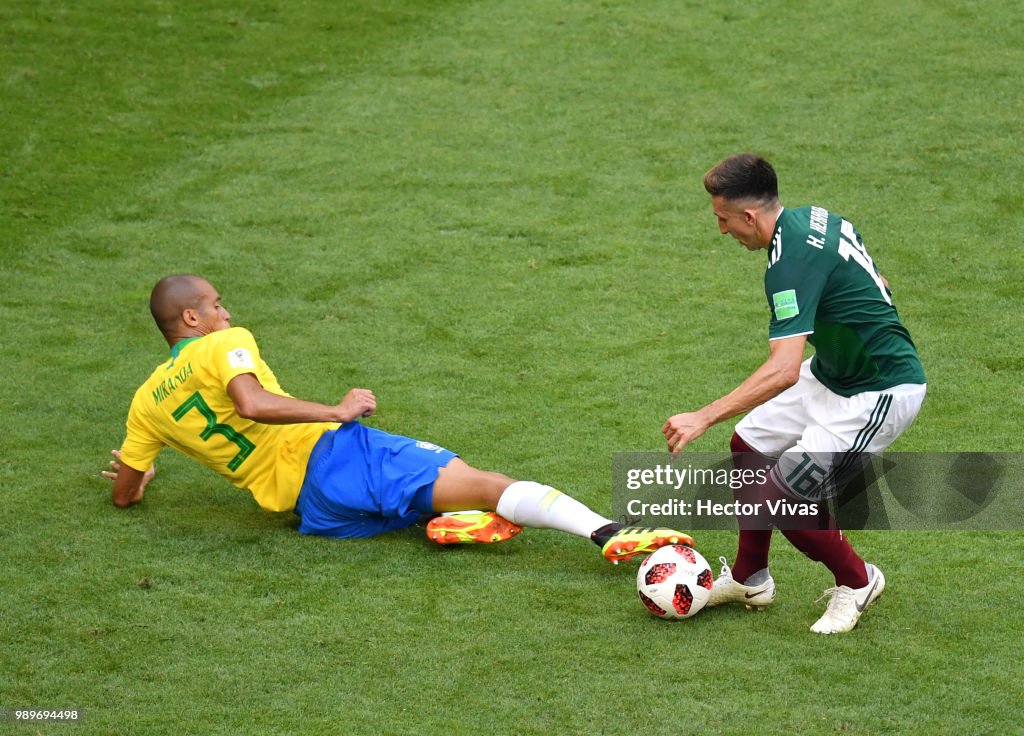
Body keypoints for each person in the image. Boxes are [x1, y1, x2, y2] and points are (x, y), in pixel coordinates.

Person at [104, 274, 693, 563]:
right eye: (214, 303)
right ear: (191, 317)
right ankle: (607, 533)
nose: (224, 310)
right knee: (485, 479)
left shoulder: (145, 402)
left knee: (422, 493)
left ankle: (452, 520)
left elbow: (124, 496)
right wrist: (336, 411)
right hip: (336, 455)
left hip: (314, 513)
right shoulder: (223, 342)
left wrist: (142, 481)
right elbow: (252, 404)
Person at [662, 153, 926, 633]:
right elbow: (875, 277)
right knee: (750, 446)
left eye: (723, 219)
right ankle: (750, 578)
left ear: (749, 215)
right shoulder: (816, 218)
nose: (721, 231)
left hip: (879, 390)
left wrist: (702, 415)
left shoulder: (786, 266)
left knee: (784, 498)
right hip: (833, 372)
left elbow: (783, 370)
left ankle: (858, 580)